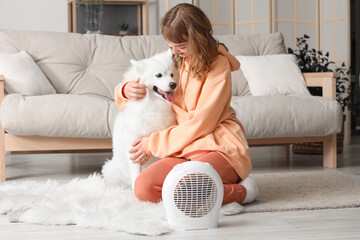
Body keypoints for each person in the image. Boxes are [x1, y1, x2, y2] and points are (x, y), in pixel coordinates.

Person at [114, 3, 259, 206]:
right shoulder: (173, 57)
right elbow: (142, 72)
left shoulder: (218, 66)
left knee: (186, 190)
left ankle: (242, 191)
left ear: (197, 39)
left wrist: (151, 143)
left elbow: (202, 123)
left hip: (218, 147)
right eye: (170, 45)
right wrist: (124, 89)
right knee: (143, 188)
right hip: (182, 149)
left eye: (180, 46)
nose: (174, 51)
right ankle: (215, 186)